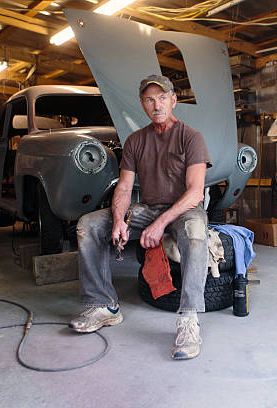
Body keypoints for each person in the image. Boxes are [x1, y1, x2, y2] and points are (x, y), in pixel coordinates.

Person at [69, 74, 211, 360]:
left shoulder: (191, 137)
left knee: (196, 235)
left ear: (173, 100)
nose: (156, 104)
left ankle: (189, 319)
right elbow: (123, 186)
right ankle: (104, 306)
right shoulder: (135, 141)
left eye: (162, 98)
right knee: (89, 226)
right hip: (148, 208)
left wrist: (160, 225)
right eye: (149, 99)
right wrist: (120, 219)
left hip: (183, 209)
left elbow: (196, 192)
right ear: (143, 104)